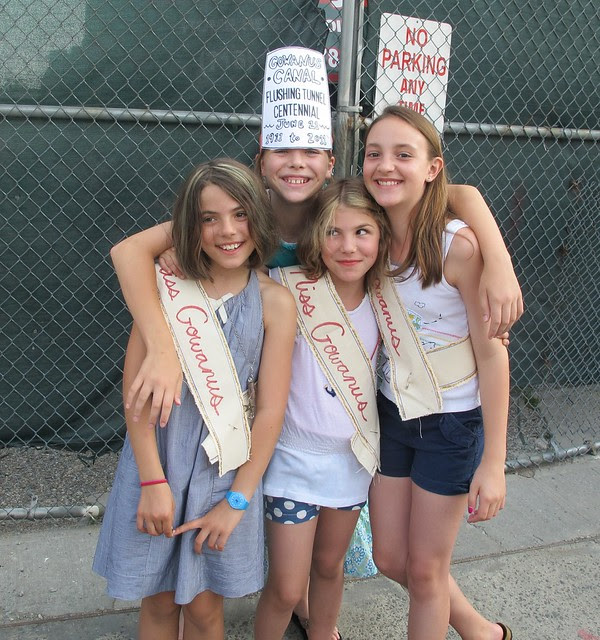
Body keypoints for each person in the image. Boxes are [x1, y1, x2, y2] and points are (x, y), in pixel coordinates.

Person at [93, 158, 296, 640]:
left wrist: (238, 500)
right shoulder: (165, 289)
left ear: (259, 216)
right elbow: (135, 397)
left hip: (224, 472)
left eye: (241, 214)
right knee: (159, 602)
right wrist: (151, 481)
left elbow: (271, 410)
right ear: (190, 226)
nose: (228, 230)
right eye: (209, 218)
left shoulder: (275, 302)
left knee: (205, 609)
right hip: (159, 463)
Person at [364, 105, 512, 640]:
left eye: (403, 154)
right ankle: (481, 631)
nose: (386, 165)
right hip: (393, 413)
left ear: (432, 168)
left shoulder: (458, 247)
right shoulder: (368, 233)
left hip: (452, 423)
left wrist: (493, 463)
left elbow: (493, 355)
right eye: (374, 153)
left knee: (427, 569)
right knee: (388, 557)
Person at [253, 178, 389, 640]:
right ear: (315, 236)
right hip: (292, 459)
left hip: (351, 461)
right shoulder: (286, 286)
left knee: (330, 566)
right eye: (333, 232)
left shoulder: (387, 298)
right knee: (287, 586)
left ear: (381, 235)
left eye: (362, 232)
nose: (348, 247)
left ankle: (323, 630)